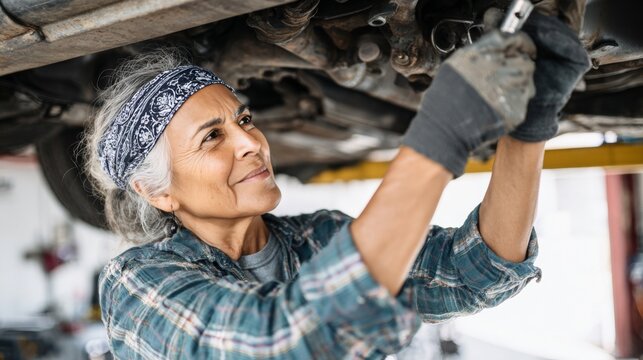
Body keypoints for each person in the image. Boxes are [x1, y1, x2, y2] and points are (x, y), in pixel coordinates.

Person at [87, 8, 589, 359]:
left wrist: (529, 127)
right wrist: (437, 138)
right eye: (211, 137)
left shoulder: (317, 239)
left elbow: (475, 273)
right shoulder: (136, 284)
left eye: (243, 120)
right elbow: (279, 345)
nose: (249, 143)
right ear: (157, 191)